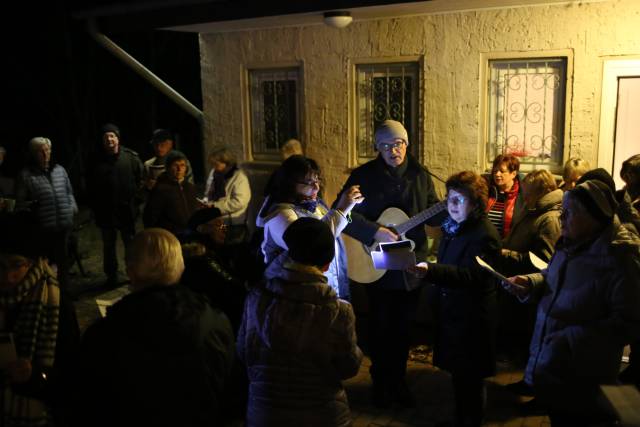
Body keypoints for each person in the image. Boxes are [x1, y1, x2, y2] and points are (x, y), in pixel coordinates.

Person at [502, 180, 640, 426]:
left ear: (594, 216)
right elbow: (552, 276)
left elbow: (628, 323)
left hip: (586, 374)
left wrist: (570, 338)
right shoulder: (570, 244)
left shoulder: (620, 259)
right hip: (554, 363)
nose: (561, 218)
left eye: (569, 212)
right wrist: (530, 282)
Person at [70, 228, 235, 427]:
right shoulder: (216, 323)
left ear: (131, 272)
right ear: (180, 267)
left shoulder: (103, 336)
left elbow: (88, 405)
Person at [335, 119, 441, 408]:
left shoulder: (421, 175)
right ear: (376, 148)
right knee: (382, 324)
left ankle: (400, 382)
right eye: (385, 145)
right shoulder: (363, 176)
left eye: (397, 144)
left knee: (404, 325)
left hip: (409, 258)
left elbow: (432, 213)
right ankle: (381, 383)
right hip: (377, 258)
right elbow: (342, 212)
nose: (393, 150)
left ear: (406, 144)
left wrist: (452, 209)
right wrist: (374, 231)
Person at [237, 217, 363, 427]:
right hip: (322, 414)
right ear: (326, 264)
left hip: (265, 411)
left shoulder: (257, 297)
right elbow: (348, 367)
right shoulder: (338, 311)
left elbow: (243, 351)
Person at [407, 171, 501, 427]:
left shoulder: (484, 234)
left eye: (459, 200)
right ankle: (462, 418)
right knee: (460, 377)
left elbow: (473, 275)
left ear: (475, 202)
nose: (451, 205)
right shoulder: (453, 227)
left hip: (472, 318)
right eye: (449, 199)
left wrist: (431, 270)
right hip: (455, 312)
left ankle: (471, 421)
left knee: (471, 378)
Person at [257, 155, 363, 300]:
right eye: (309, 182)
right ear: (290, 184)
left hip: (324, 288)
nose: (317, 187)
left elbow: (331, 234)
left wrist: (346, 209)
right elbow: (313, 245)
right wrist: (341, 210)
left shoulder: (315, 205)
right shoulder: (280, 216)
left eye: (317, 180)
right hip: (296, 297)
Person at [498, 170, 563, 398]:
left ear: (542, 191)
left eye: (528, 194)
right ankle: (528, 380)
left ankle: (536, 387)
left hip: (530, 288)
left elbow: (544, 260)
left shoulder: (550, 218)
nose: (524, 198)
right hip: (520, 285)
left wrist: (507, 254)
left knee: (531, 339)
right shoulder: (535, 210)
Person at [0, 250, 80, 427]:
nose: (7, 275)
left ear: (31, 263)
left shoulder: (56, 303)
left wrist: (34, 376)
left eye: (16, 265)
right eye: (1, 266)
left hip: (42, 412)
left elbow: (71, 373)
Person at [15, 137, 77, 291]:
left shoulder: (59, 170)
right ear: (33, 154)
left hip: (64, 225)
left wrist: (72, 208)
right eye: (40, 151)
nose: (45, 153)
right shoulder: (26, 175)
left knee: (63, 263)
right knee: (47, 267)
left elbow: (69, 192)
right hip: (44, 229)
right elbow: (20, 202)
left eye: (47, 149)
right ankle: (50, 295)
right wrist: (32, 208)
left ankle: (65, 294)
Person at [88, 123, 144, 288]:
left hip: (126, 211)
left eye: (112, 136)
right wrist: (95, 207)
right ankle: (111, 276)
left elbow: (141, 180)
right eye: (105, 137)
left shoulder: (131, 158)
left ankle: (132, 273)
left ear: (118, 138)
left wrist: (136, 202)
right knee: (108, 246)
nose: (109, 139)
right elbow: (89, 186)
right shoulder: (95, 160)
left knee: (130, 245)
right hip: (106, 213)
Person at [202, 147, 252, 246]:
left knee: (232, 251)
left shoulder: (239, 177)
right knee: (219, 250)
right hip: (218, 222)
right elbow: (209, 193)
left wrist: (214, 206)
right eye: (212, 165)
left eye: (216, 164)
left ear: (226, 163)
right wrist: (205, 202)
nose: (214, 168)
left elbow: (239, 202)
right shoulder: (216, 175)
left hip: (234, 224)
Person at [143, 151, 200, 237]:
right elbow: (151, 218)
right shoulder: (160, 189)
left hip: (192, 235)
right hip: (171, 237)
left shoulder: (190, 188)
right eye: (175, 165)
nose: (179, 169)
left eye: (182, 165)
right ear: (168, 168)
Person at [485, 154, 525, 238]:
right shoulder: (487, 190)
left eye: (502, 171)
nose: (497, 174)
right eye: (495, 171)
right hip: (485, 244)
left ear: (513, 174)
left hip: (508, 246)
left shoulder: (523, 194)